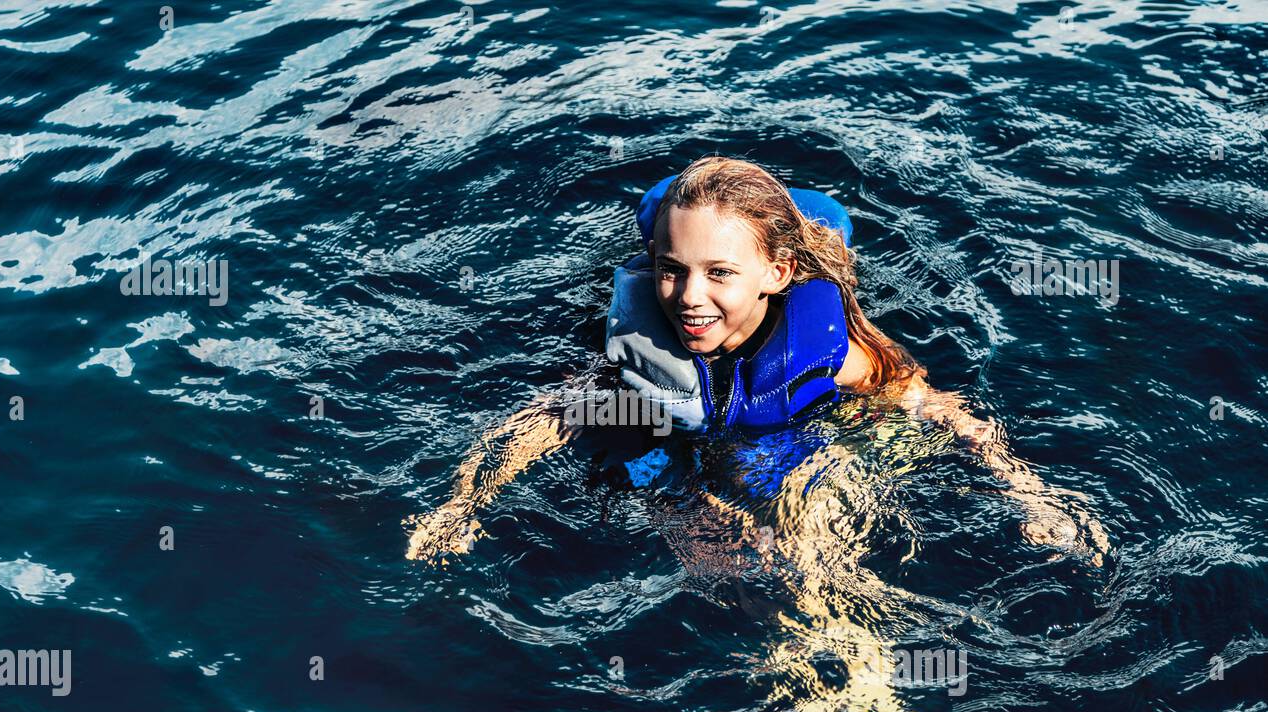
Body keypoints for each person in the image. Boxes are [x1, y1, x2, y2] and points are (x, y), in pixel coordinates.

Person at [405, 155, 1108, 565]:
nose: (688, 297)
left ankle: (847, 701)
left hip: (793, 443)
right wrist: (462, 503)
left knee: (815, 543)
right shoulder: (639, 348)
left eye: (720, 273)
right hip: (670, 452)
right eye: (672, 271)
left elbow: (947, 410)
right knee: (699, 531)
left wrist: (1031, 494)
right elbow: (547, 417)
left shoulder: (840, 357)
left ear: (776, 273)